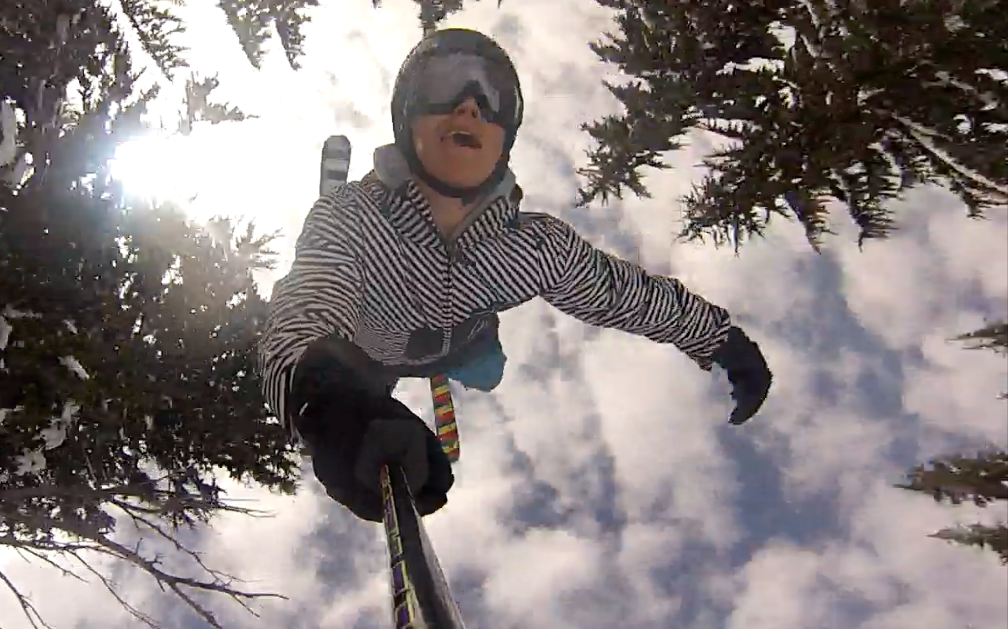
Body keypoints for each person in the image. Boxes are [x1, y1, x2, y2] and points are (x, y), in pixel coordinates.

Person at [259, 28, 772, 523]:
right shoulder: (351, 219)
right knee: (378, 363)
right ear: (406, 117)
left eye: (492, 99)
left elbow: (620, 294)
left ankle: (456, 360)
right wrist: (328, 401)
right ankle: (384, 373)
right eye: (442, 88)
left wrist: (720, 339)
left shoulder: (533, 248)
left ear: (506, 136)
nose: (469, 107)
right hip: (370, 350)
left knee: (486, 370)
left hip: (461, 340)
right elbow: (308, 304)